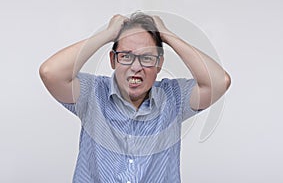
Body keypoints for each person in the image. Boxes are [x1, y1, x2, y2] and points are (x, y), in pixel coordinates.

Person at [39, 12, 231, 183]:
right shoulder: (93, 93)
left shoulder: (173, 98)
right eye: (126, 56)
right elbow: (50, 72)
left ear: (159, 64)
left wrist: (166, 35)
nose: (136, 66)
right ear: (113, 60)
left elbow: (220, 81)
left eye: (147, 57)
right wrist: (107, 34)